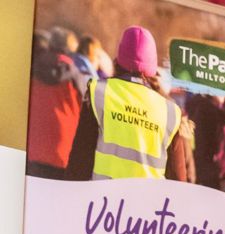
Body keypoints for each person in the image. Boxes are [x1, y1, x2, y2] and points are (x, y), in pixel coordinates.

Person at [66, 25, 187, 181]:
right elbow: (178, 182)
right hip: (149, 204)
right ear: (152, 65)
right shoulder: (170, 112)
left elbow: (79, 162)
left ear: (119, 59)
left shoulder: (99, 93)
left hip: (103, 202)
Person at [27, 29, 89, 179]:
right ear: (70, 50)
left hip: (33, 147)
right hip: (63, 152)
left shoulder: (33, 68)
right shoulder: (76, 76)